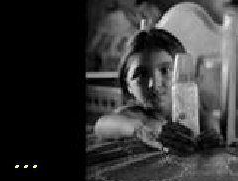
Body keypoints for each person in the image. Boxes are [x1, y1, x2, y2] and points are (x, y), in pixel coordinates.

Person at [94, 27, 223, 155]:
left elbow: (212, 128)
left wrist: (212, 134)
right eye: (141, 74)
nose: (154, 84)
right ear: (128, 86)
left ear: (182, 74)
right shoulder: (135, 115)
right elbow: (101, 125)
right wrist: (144, 130)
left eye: (165, 70)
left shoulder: (195, 114)